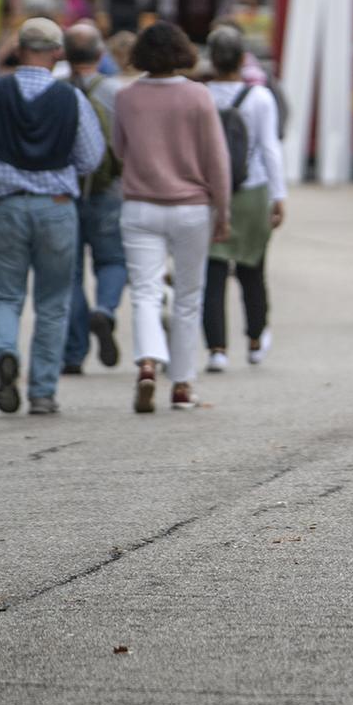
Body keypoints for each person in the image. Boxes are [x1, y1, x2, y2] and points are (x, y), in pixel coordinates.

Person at [0, 17, 106, 415]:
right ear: (58, 52)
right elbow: (91, 158)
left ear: (18, 48)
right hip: (57, 207)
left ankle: (5, 352)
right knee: (53, 301)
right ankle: (42, 391)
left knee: (3, 294)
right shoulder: (71, 99)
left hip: (6, 207)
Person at [112, 22, 231, 414]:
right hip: (191, 208)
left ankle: (147, 362)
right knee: (187, 297)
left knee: (145, 291)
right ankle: (182, 385)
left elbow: (118, 150)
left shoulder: (126, 97)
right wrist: (223, 210)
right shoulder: (199, 95)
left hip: (140, 205)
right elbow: (216, 159)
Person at [202, 25, 286, 370]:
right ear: (241, 59)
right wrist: (278, 195)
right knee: (253, 267)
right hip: (252, 190)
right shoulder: (260, 97)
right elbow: (270, 148)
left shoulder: (201, 95)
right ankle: (254, 339)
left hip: (211, 193)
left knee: (214, 272)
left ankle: (217, 350)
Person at [59, 24, 127, 377]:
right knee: (113, 259)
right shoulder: (116, 93)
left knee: (67, 274)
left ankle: (73, 353)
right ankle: (106, 309)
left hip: (62, 192)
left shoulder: (56, 92)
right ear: (101, 55)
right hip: (108, 190)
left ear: (65, 56)